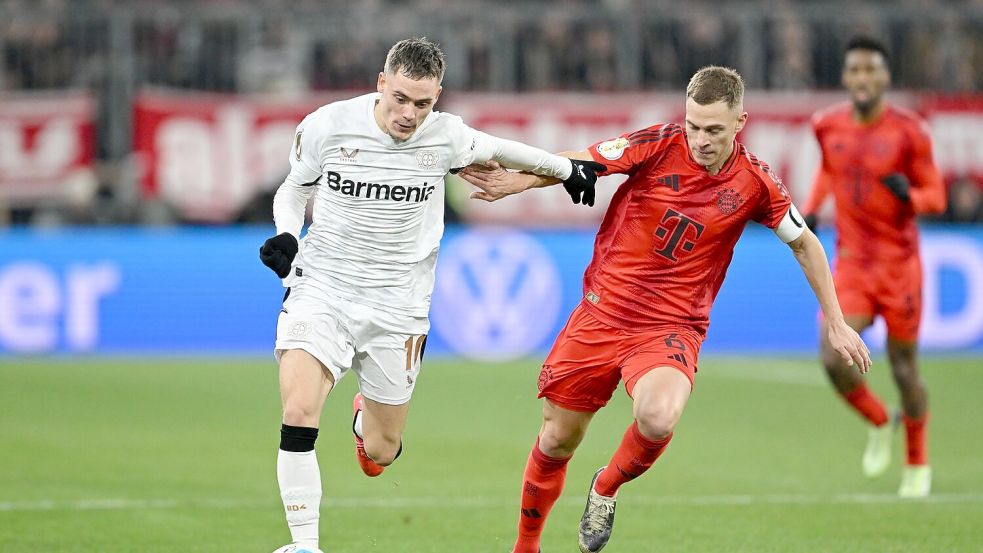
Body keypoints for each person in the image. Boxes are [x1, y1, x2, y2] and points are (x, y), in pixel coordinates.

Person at [459, 65, 872, 553]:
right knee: (557, 440)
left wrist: (838, 323)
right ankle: (526, 545)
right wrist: (520, 182)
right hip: (602, 313)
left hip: (671, 326)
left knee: (658, 416)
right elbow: (581, 162)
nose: (700, 139)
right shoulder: (658, 143)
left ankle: (605, 488)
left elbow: (805, 243)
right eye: (694, 125)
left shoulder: (757, 183)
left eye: (714, 129)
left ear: (741, 122)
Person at [258, 37, 604, 553]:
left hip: (398, 308)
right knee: (299, 408)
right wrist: (288, 234)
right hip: (322, 289)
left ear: (437, 96)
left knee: (382, 451)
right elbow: (293, 189)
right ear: (381, 83)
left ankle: (365, 421)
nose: (408, 113)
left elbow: (502, 149)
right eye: (399, 97)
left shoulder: (445, 137)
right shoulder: (327, 125)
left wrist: (567, 169)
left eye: (422, 103)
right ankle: (305, 544)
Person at [801, 36, 946, 498]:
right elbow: (829, 167)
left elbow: (937, 197)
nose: (863, 79)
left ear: (885, 77)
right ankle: (881, 419)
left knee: (905, 368)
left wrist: (912, 196)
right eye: (855, 71)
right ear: (846, 77)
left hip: (900, 268)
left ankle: (917, 464)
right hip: (853, 266)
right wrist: (812, 205)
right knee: (831, 354)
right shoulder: (827, 126)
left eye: (871, 71)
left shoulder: (910, 131)